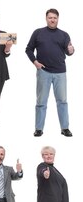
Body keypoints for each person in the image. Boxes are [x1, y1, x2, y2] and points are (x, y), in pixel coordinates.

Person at [25, 9, 75, 137]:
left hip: (60, 73)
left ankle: (65, 128)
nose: (52, 20)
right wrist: (35, 62)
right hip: (43, 72)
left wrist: (71, 50)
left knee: (62, 101)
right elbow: (29, 49)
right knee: (41, 102)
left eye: (55, 18)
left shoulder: (64, 35)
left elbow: (69, 52)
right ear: (46, 18)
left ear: (58, 19)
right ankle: (39, 129)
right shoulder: (38, 33)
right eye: (50, 17)